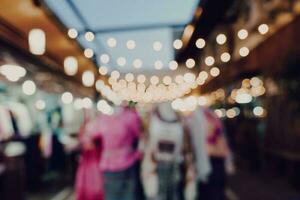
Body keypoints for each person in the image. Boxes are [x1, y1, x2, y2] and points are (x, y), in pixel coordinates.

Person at [86, 105, 143, 200]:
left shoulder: (103, 119)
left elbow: (91, 135)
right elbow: (139, 136)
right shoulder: (130, 117)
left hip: (122, 165)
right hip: (122, 164)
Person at [185, 107, 232, 200]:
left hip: (215, 165)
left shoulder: (213, 128)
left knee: (215, 191)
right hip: (211, 165)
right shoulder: (210, 122)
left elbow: (224, 148)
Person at [146, 102, 185, 200]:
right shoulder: (175, 120)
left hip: (169, 161)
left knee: (169, 190)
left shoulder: (156, 119)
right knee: (163, 190)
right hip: (160, 162)